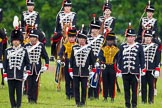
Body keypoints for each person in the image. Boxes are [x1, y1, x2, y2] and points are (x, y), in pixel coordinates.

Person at [118, 28, 146, 108]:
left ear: (135, 37)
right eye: (128, 36)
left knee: (134, 90)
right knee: (126, 90)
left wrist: (143, 68)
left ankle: (134, 105)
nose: (130, 38)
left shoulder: (139, 46)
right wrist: (119, 70)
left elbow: (142, 58)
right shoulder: (122, 46)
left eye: (132, 36)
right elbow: (119, 59)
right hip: (125, 71)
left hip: (135, 71)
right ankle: (127, 104)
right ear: (126, 37)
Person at [3, 29, 30, 108]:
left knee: (19, 93)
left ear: (20, 41)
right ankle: (13, 106)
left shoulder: (24, 51)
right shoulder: (7, 51)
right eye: (14, 40)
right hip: (10, 75)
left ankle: (18, 106)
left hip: (19, 75)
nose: (15, 42)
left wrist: (26, 73)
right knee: (11, 93)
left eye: (17, 40)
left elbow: (27, 63)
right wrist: (5, 74)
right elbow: (5, 64)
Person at [69, 28, 95, 107]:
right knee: (76, 87)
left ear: (85, 39)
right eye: (80, 38)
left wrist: (93, 70)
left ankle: (83, 102)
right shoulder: (74, 48)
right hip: (76, 71)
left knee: (84, 88)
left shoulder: (89, 48)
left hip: (85, 72)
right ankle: (77, 102)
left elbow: (92, 61)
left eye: (83, 38)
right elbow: (71, 60)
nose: (81, 40)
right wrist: (70, 70)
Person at [24, 29, 49, 103]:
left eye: (33, 37)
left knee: (35, 84)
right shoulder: (26, 46)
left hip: (37, 68)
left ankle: (34, 99)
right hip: (29, 68)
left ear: (36, 38)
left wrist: (46, 66)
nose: (32, 38)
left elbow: (46, 57)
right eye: (30, 37)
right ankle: (29, 98)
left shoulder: (40, 46)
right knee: (29, 84)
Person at [98, 32, 119, 102]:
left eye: (111, 40)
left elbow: (119, 58)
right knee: (105, 82)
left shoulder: (116, 49)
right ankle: (105, 97)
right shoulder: (103, 49)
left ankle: (112, 97)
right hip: (105, 66)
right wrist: (101, 62)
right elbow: (100, 57)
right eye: (108, 40)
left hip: (112, 67)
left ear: (113, 41)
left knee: (112, 82)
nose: (110, 41)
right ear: (106, 40)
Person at [141, 30, 161, 104]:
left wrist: (157, 69)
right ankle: (143, 100)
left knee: (151, 86)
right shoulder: (140, 46)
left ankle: (151, 100)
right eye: (146, 37)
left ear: (151, 38)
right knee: (143, 86)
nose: (147, 38)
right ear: (144, 37)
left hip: (152, 69)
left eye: (149, 37)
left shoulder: (155, 46)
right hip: (143, 69)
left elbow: (158, 58)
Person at [87, 19, 104, 100]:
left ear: (98, 30)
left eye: (96, 29)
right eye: (92, 28)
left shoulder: (102, 38)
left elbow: (103, 50)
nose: (94, 30)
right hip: (89, 60)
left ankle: (96, 95)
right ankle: (90, 95)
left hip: (98, 59)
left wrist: (100, 60)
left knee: (97, 77)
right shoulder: (87, 38)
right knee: (90, 77)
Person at [58, 28, 77, 99]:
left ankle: (73, 93)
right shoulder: (65, 45)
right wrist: (60, 58)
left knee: (74, 80)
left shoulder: (77, 45)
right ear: (68, 37)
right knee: (67, 79)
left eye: (73, 37)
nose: (71, 39)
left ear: (75, 37)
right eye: (70, 37)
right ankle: (68, 94)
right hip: (67, 62)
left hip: (75, 64)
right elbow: (60, 52)